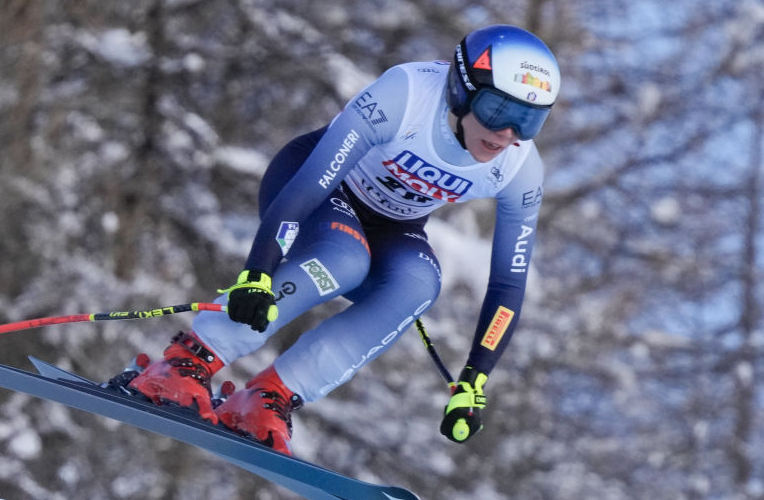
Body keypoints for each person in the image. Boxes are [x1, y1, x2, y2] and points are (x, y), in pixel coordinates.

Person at [120, 24, 560, 456]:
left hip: (393, 226)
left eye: (529, 120)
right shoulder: (405, 97)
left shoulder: (520, 168)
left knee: (418, 286)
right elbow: (308, 186)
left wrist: (474, 381)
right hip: (315, 188)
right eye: (498, 111)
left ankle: (269, 395)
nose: (507, 134)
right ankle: (189, 359)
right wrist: (257, 273)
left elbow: (507, 284)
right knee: (343, 259)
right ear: (463, 90)